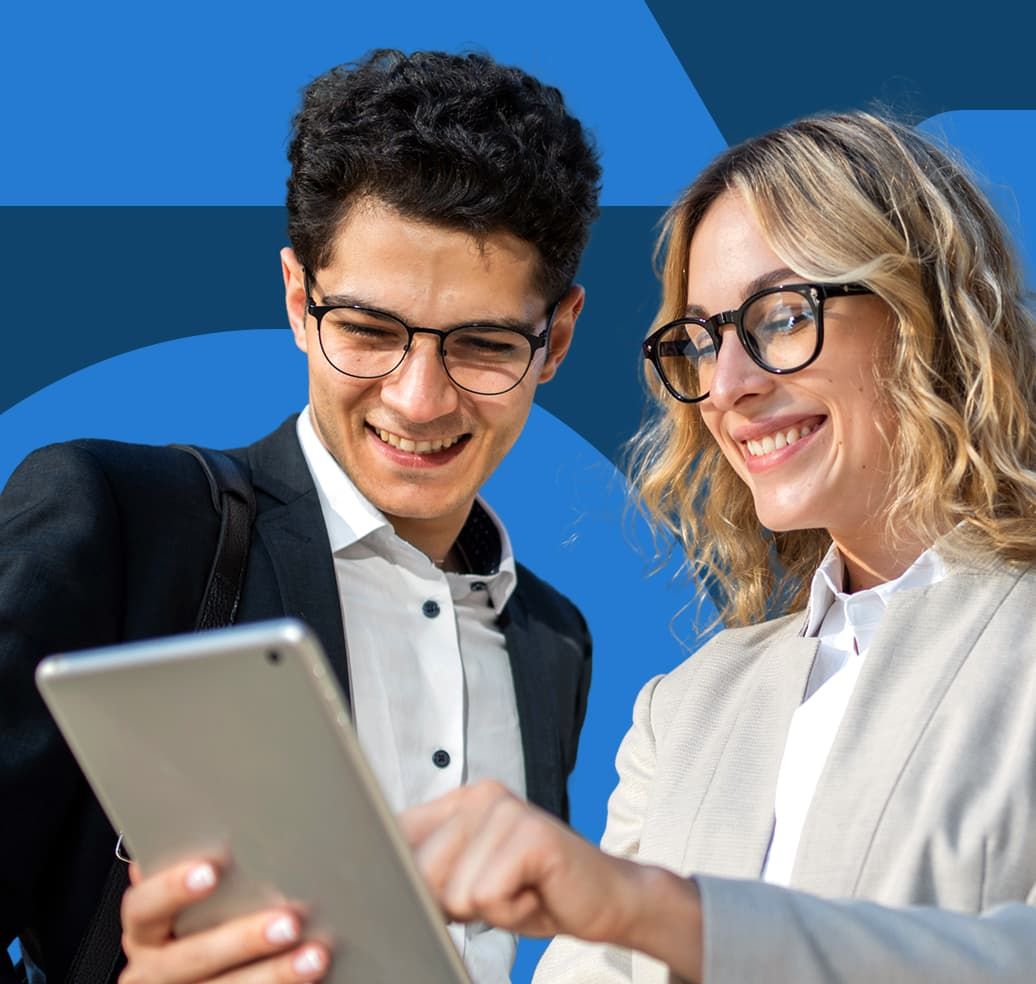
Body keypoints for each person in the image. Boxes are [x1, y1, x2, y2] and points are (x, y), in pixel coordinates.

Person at [0, 49, 599, 984]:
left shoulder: (554, 644)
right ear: (296, 298)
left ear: (555, 338)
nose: (418, 398)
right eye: (367, 331)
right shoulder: (118, 524)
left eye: (482, 345)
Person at [394, 112, 1036, 982]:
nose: (728, 387)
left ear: (923, 314)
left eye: (779, 317)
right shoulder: (688, 710)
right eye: (700, 342)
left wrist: (662, 913)